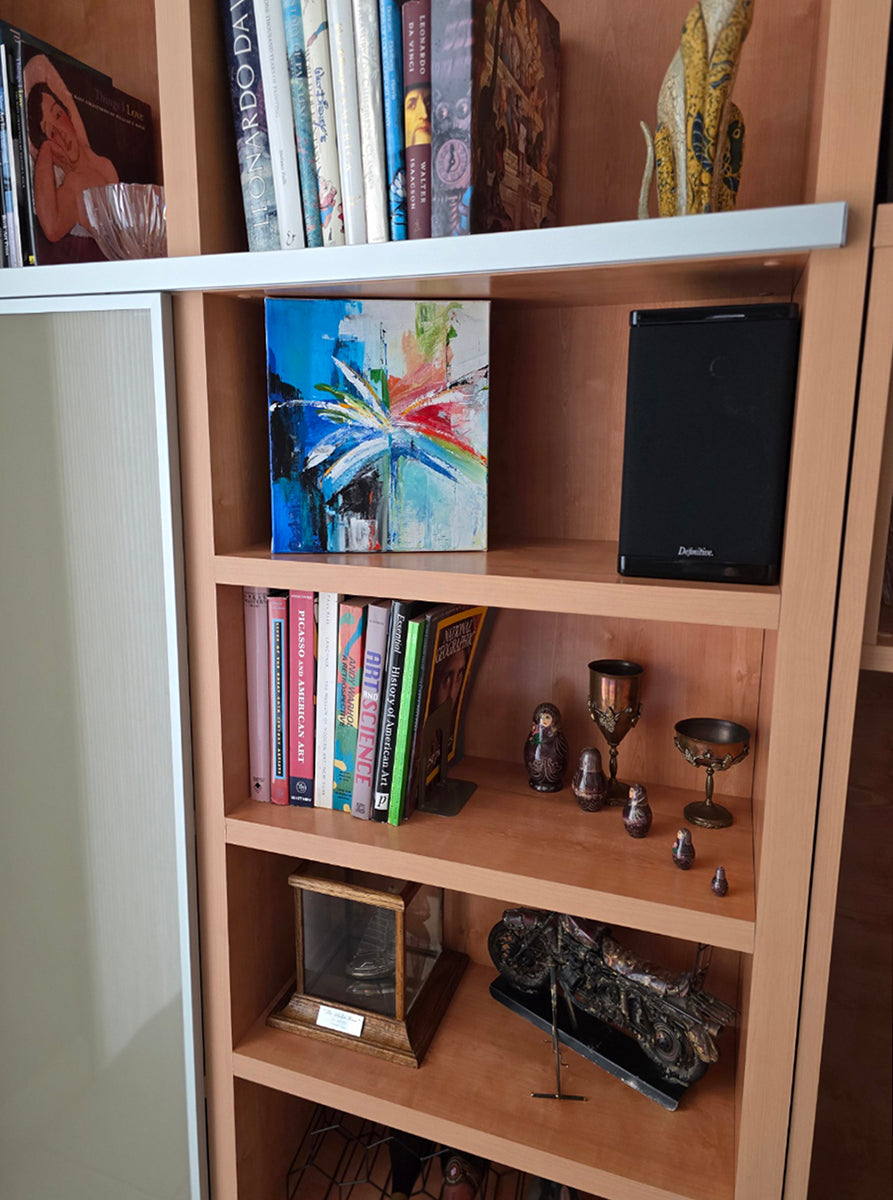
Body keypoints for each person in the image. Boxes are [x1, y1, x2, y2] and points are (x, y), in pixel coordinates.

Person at [25, 54, 118, 257]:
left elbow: (41, 64)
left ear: (69, 113)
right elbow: (51, 227)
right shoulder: (74, 183)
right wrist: (46, 152)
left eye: (58, 115)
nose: (61, 132)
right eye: (50, 133)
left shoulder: (103, 165)